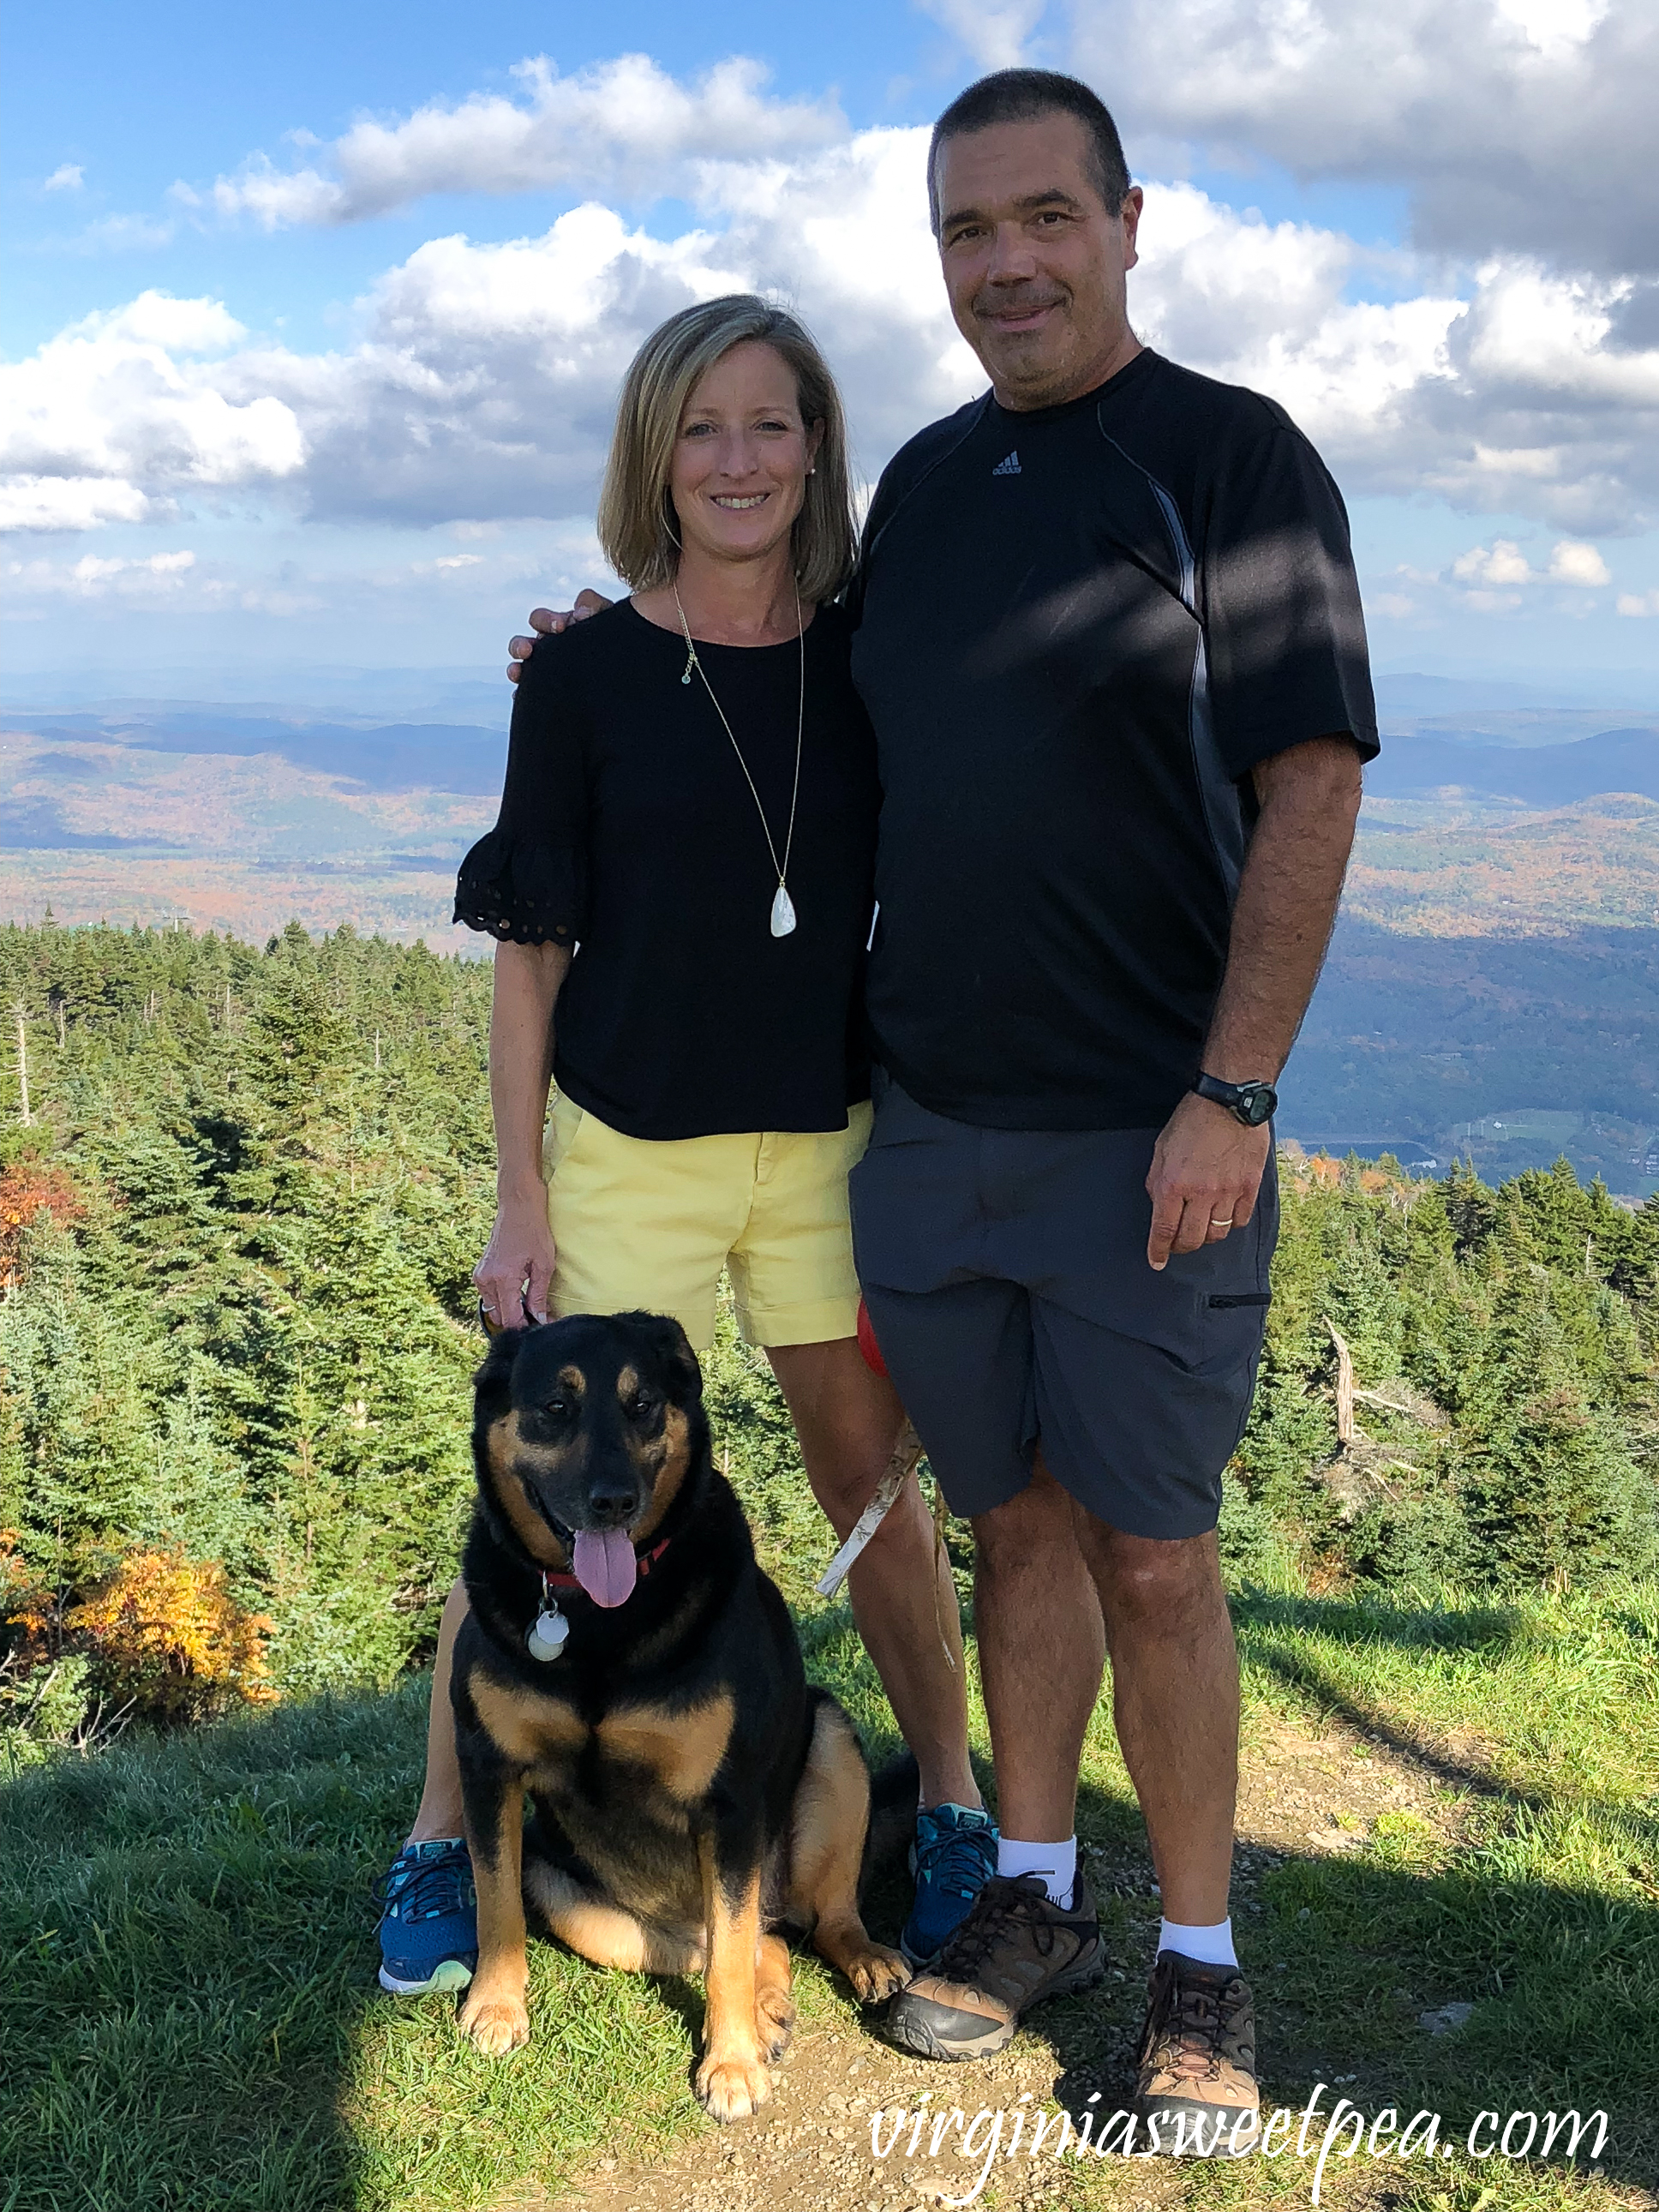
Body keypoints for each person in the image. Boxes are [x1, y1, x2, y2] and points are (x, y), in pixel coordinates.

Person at [511, 70, 1376, 2137]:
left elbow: (1311, 782)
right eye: (963, 233)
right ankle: (1037, 1895)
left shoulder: (1232, 460)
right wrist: (597, 653)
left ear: (1125, 219)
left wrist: (1231, 1091)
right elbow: (787, 673)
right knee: (1013, 1532)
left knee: (1154, 1552)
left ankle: (1198, 1968)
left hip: (1142, 1130)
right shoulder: (917, 482)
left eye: (1040, 218)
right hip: (918, 1131)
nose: (1004, 262)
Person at [375, 297, 994, 2004]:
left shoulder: (868, 656)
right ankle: (444, 1833)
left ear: (817, 449)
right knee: (535, 1508)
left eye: (771, 423)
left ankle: (945, 1802)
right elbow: (528, 949)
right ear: (653, 451)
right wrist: (519, 1191)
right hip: (622, 1151)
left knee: (867, 1486)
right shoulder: (576, 674)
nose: (737, 459)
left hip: (820, 1146)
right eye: (700, 426)